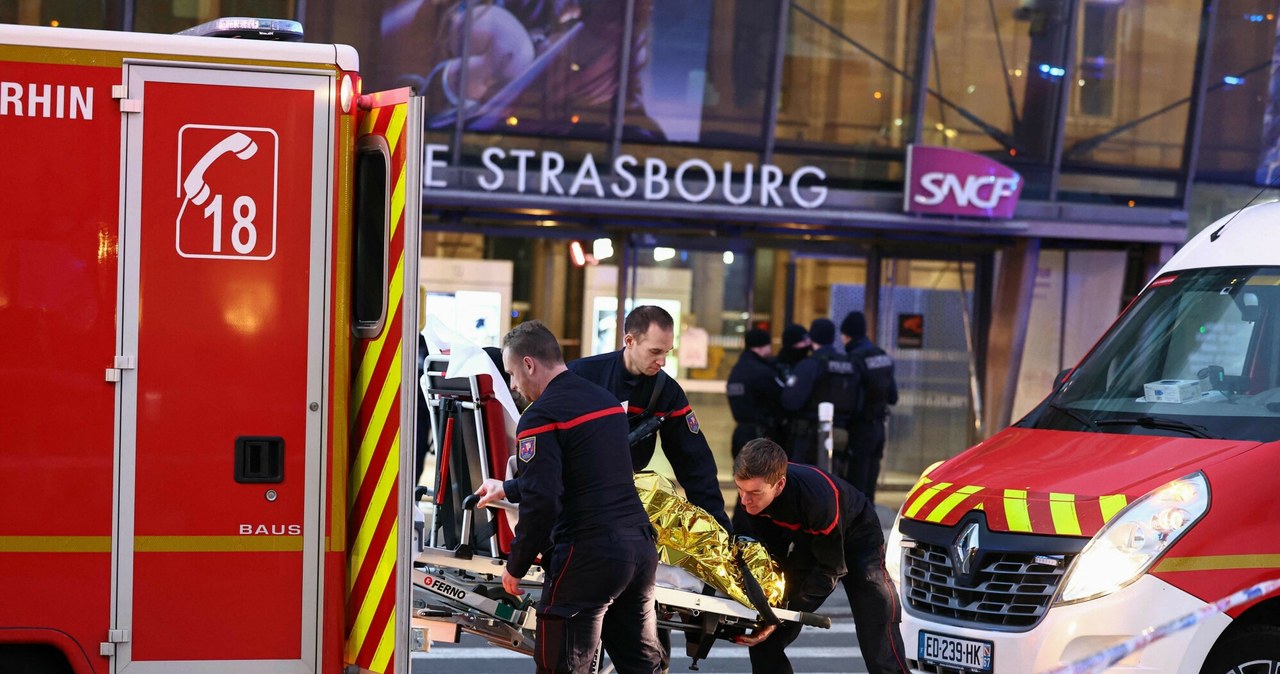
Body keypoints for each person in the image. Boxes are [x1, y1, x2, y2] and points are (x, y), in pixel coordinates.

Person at [474, 321, 662, 674]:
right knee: (641, 667)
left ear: (529, 364)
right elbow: (586, 473)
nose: (513, 385)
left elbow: (543, 501)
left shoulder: (541, 417)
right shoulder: (604, 401)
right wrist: (508, 487)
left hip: (589, 556)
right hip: (638, 552)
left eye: (513, 374)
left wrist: (517, 564)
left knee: (561, 665)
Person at [732, 438, 909, 674]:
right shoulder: (749, 497)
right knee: (764, 636)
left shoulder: (818, 500)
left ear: (779, 485)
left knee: (875, 617)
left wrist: (785, 613)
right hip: (806, 538)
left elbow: (830, 570)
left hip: (856, 534)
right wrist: (770, 611)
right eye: (739, 489)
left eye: (754, 492)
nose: (745, 500)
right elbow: (763, 557)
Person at [568, 305, 730, 530]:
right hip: (573, 495)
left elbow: (695, 463)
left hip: (623, 498)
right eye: (655, 351)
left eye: (667, 351)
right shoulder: (582, 376)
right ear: (630, 340)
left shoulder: (668, 392)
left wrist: (719, 527)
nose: (663, 361)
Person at [726, 327, 786, 532]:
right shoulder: (761, 371)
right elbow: (784, 398)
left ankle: (739, 532)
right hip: (758, 436)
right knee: (757, 488)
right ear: (763, 346)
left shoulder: (737, 370)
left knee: (744, 487)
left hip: (741, 432)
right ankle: (749, 534)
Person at [780, 318, 860, 467]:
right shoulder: (850, 364)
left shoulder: (810, 364)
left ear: (811, 338)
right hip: (841, 435)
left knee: (805, 483)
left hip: (809, 437)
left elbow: (790, 401)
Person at [840, 311, 899, 501]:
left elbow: (849, 399)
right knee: (870, 481)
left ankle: (856, 526)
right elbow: (893, 396)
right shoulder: (882, 356)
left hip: (859, 428)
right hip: (878, 428)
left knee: (856, 482)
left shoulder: (854, 360)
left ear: (847, 335)